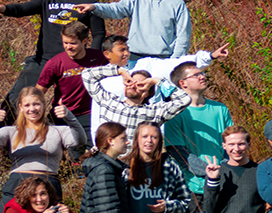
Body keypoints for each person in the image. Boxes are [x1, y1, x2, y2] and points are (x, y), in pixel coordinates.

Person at [0, 0, 106, 122]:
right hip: (43, 60)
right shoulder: (47, 1)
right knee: (18, 99)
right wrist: (1, 8)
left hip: (72, 62)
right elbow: (21, 9)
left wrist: (90, 60)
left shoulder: (90, 4)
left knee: (67, 107)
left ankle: (55, 136)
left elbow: (98, 34)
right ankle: (0, 139)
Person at [86, 37, 228, 142]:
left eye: (127, 49)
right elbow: (96, 116)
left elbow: (177, 64)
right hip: (113, 142)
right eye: (121, 50)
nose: (127, 53)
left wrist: (209, 56)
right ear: (107, 54)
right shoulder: (104, 81)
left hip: (146, 139)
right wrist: (120, 72)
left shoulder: (146, 64)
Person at [0, 86, 87, 213]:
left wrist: (69, 117)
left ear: (44, 105)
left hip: (48, 184)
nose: (32, 109)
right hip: (17, 183)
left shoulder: (58, 131)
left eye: (36, 104)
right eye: (27, 105)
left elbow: (80, 140)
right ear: (21, 107)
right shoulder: (10, 131)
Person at [74, 0, 191, 61]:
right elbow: (115, 9)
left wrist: (175, 61)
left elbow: (183, 36)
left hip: (163, 58)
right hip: (134, 57)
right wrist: (95, 7)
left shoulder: (176, 4)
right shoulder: (135, 0)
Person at [165, 61, 233, 209]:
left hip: (225, 183)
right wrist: (208, 172)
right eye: (196, 75)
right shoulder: (176, 113)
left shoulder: (220, 109)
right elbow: (178, 152)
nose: (202, 77)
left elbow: (232, 145)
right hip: (193, 188)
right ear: (183, 83)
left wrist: (224, 170)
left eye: (202, 73)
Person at [81, 62, 190, 144]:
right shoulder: (108, 101)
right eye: (130, 82)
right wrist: (120, 71)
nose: (133, 85)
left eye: (140, 85)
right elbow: (87, 75)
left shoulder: (154, 112)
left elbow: (184, 100)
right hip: (105, 162)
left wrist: (157, 81)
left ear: (147, 93)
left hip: (133, 165)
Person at [35, 21, 108, 144]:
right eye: (65, 43)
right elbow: (38, 92)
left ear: (85, 41)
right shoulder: (55, 63)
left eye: (73, 43)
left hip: (90, 114)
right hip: (63, 114)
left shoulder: (98, 58)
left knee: (95, 150)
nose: (68, 47)